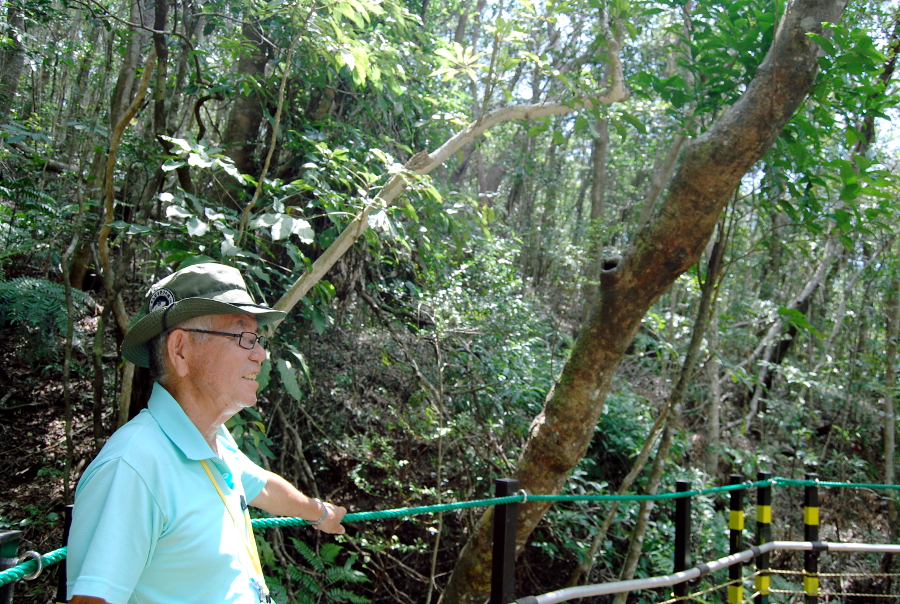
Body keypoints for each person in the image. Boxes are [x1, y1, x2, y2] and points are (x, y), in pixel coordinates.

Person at [66, 262, 346, 604]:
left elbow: (263, 487)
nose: (261, 354)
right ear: (180, 350)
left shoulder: (212, 439)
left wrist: (321, 513)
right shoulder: (134, 466)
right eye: (244, 338)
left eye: (258, 340)